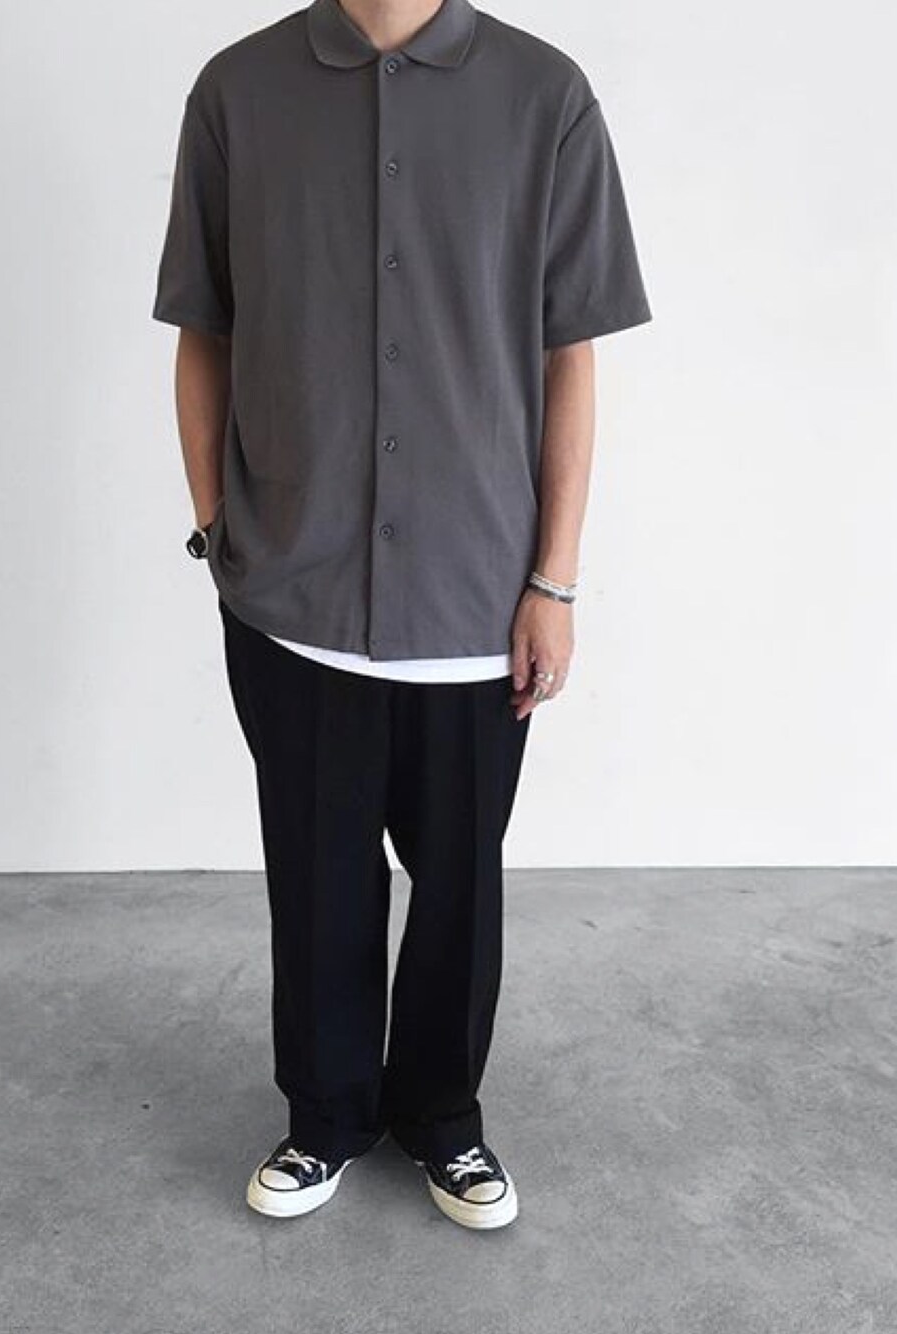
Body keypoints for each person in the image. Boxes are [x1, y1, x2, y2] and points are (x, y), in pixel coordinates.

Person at [152, 0, 651, 1230]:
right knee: (315, 877)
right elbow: (204, 327)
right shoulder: (238, 91)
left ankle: (444, 1119)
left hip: (477, 594)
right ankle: (324, 1116)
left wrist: (553, 580)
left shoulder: (545, 97)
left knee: (459, 888)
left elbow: (570, 355)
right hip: (294, 592)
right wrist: (219, 527)